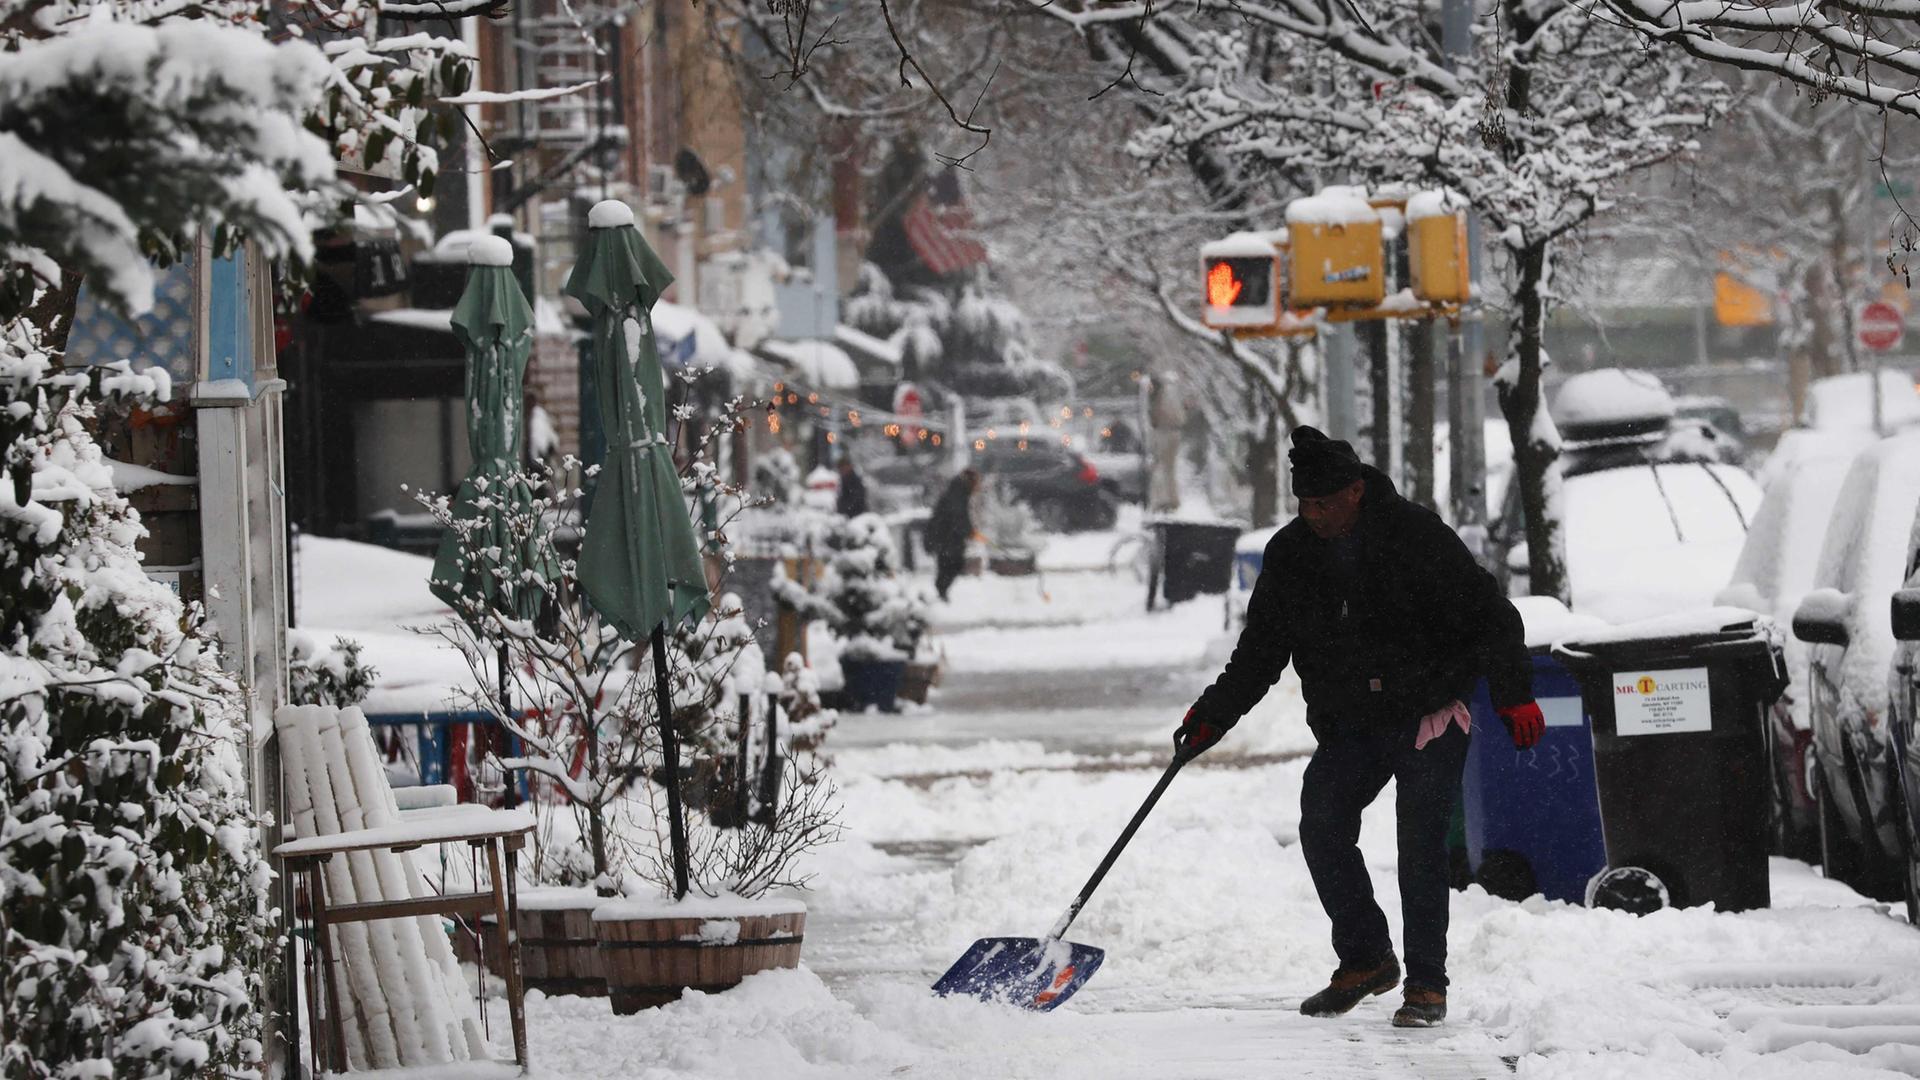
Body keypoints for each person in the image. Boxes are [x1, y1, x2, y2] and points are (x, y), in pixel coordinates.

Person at [1173, 426, 1543, 1029]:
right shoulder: (1292, 555)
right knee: (1321, 823)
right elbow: (1262, 649)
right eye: (1305, 505)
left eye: (1325, 503)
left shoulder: (1416, 536)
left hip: (1428, 713)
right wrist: (1213, 714)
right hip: (1352, 721)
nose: (1315, 515)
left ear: (1355, 492)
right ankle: (1367, 957)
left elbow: (1492, 617)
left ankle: (1426, 984)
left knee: (1420, 843)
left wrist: (1514, 696)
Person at [925, 468, 979, 602]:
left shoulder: (958, 491)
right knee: (953, 564)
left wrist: (968, 531)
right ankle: (941, 592)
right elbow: (959, 516)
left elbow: (960, 516)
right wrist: (969, 531)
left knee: (949, 565)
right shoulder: (958, 493)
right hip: (947, 538)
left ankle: (941, 592)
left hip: (946, 537)